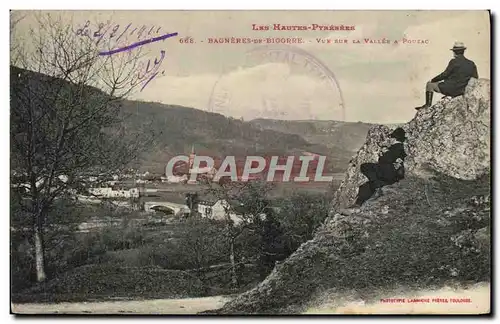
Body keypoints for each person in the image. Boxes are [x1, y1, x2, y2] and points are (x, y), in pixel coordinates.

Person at [415, 41, 478, 110]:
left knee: (430, 85)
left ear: (454, 52)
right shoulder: (471, 64)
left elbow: (445, 74)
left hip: (451, 89)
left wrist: (433, 80)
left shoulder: (454, 61)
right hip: (462, 90)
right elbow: (475, 78)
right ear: (463, 51)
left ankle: (427, 105)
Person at [354, 128, 407, 206]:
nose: (390, 139)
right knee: (367, 185)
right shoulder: (400, 148)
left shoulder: (397, 147)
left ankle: (376, 185)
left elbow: (388, 159)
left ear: (394, 138)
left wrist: (385, 152)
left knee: (365, 166)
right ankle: (359, 203)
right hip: (390, 173)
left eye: (391, 138)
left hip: (389, 172)